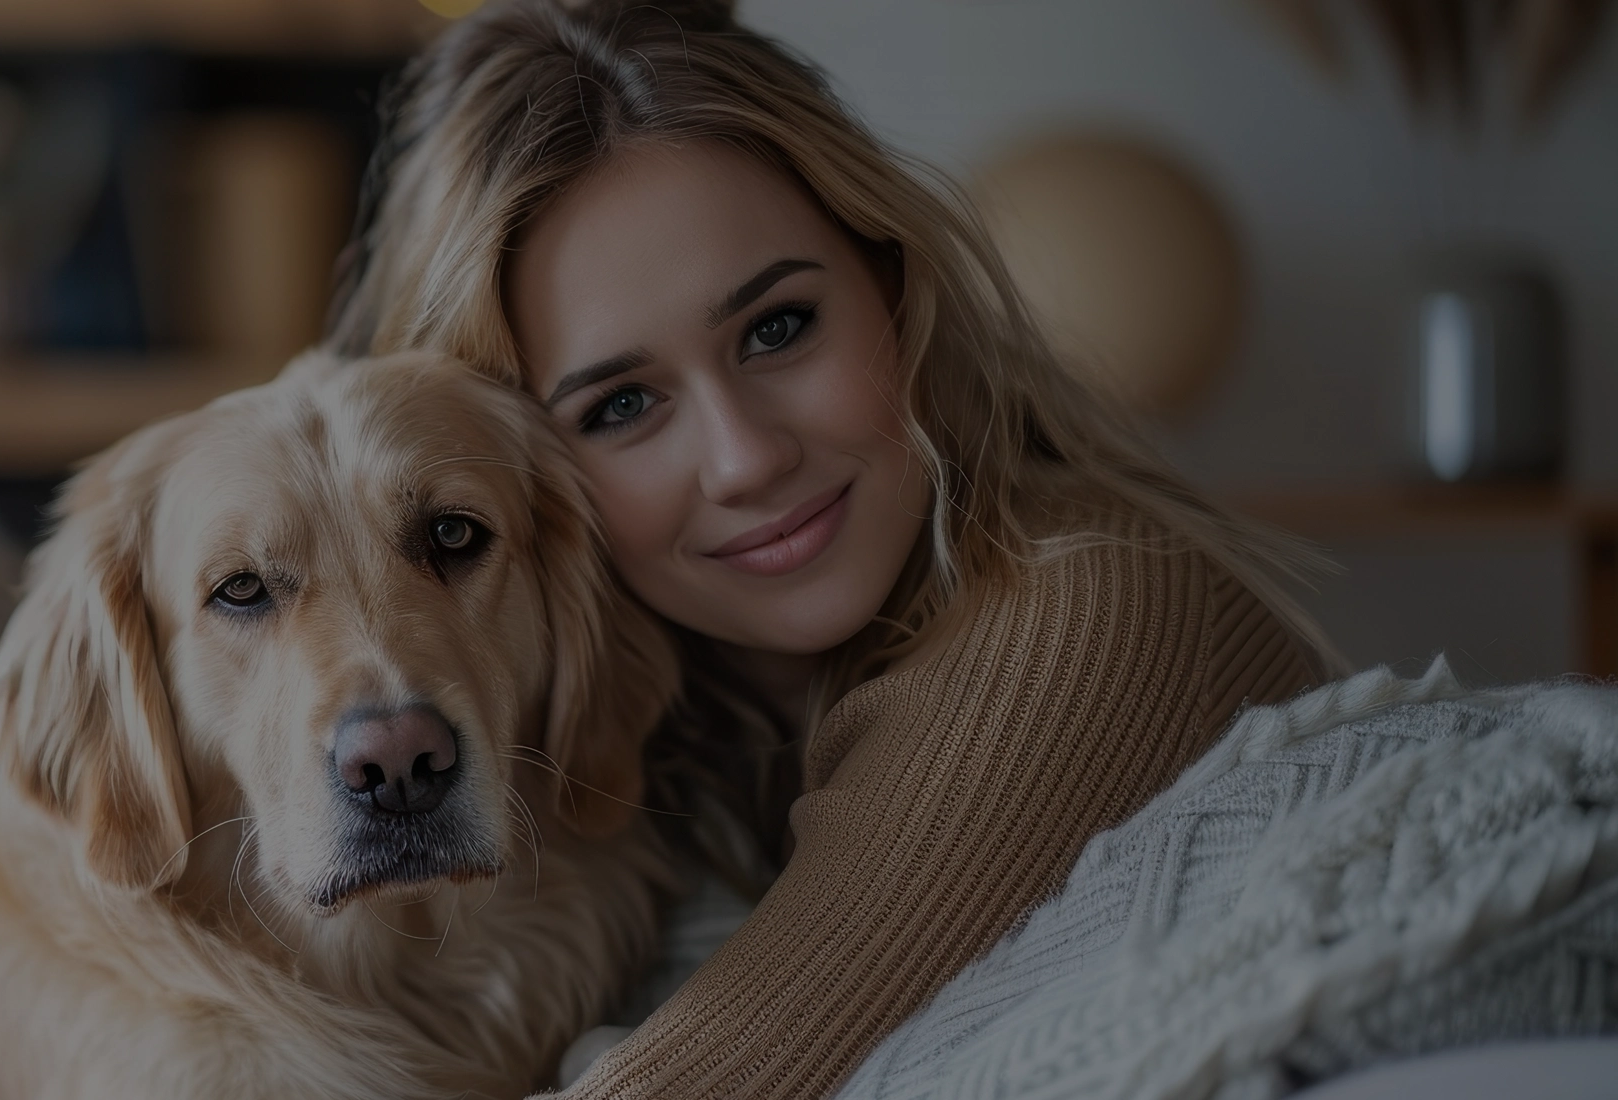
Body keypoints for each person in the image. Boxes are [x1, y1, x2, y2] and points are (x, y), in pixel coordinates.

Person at [328, 1, 1337, 1095]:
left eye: (777, 327)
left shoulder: (1094, 606)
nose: (746, 456)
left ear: (892, 287)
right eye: (621, 404)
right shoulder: (617, 748)